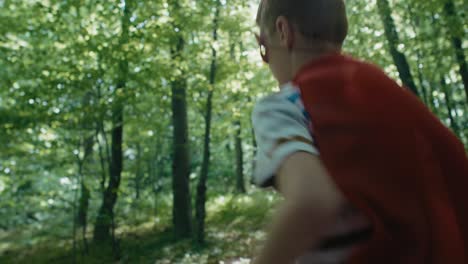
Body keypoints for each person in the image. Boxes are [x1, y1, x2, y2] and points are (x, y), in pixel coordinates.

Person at [250, 0, 468, 263]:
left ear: (284, 32)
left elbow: (312, 201)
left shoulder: (283, 107)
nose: (267, 61)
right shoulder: (391, 97)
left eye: (263, 47)